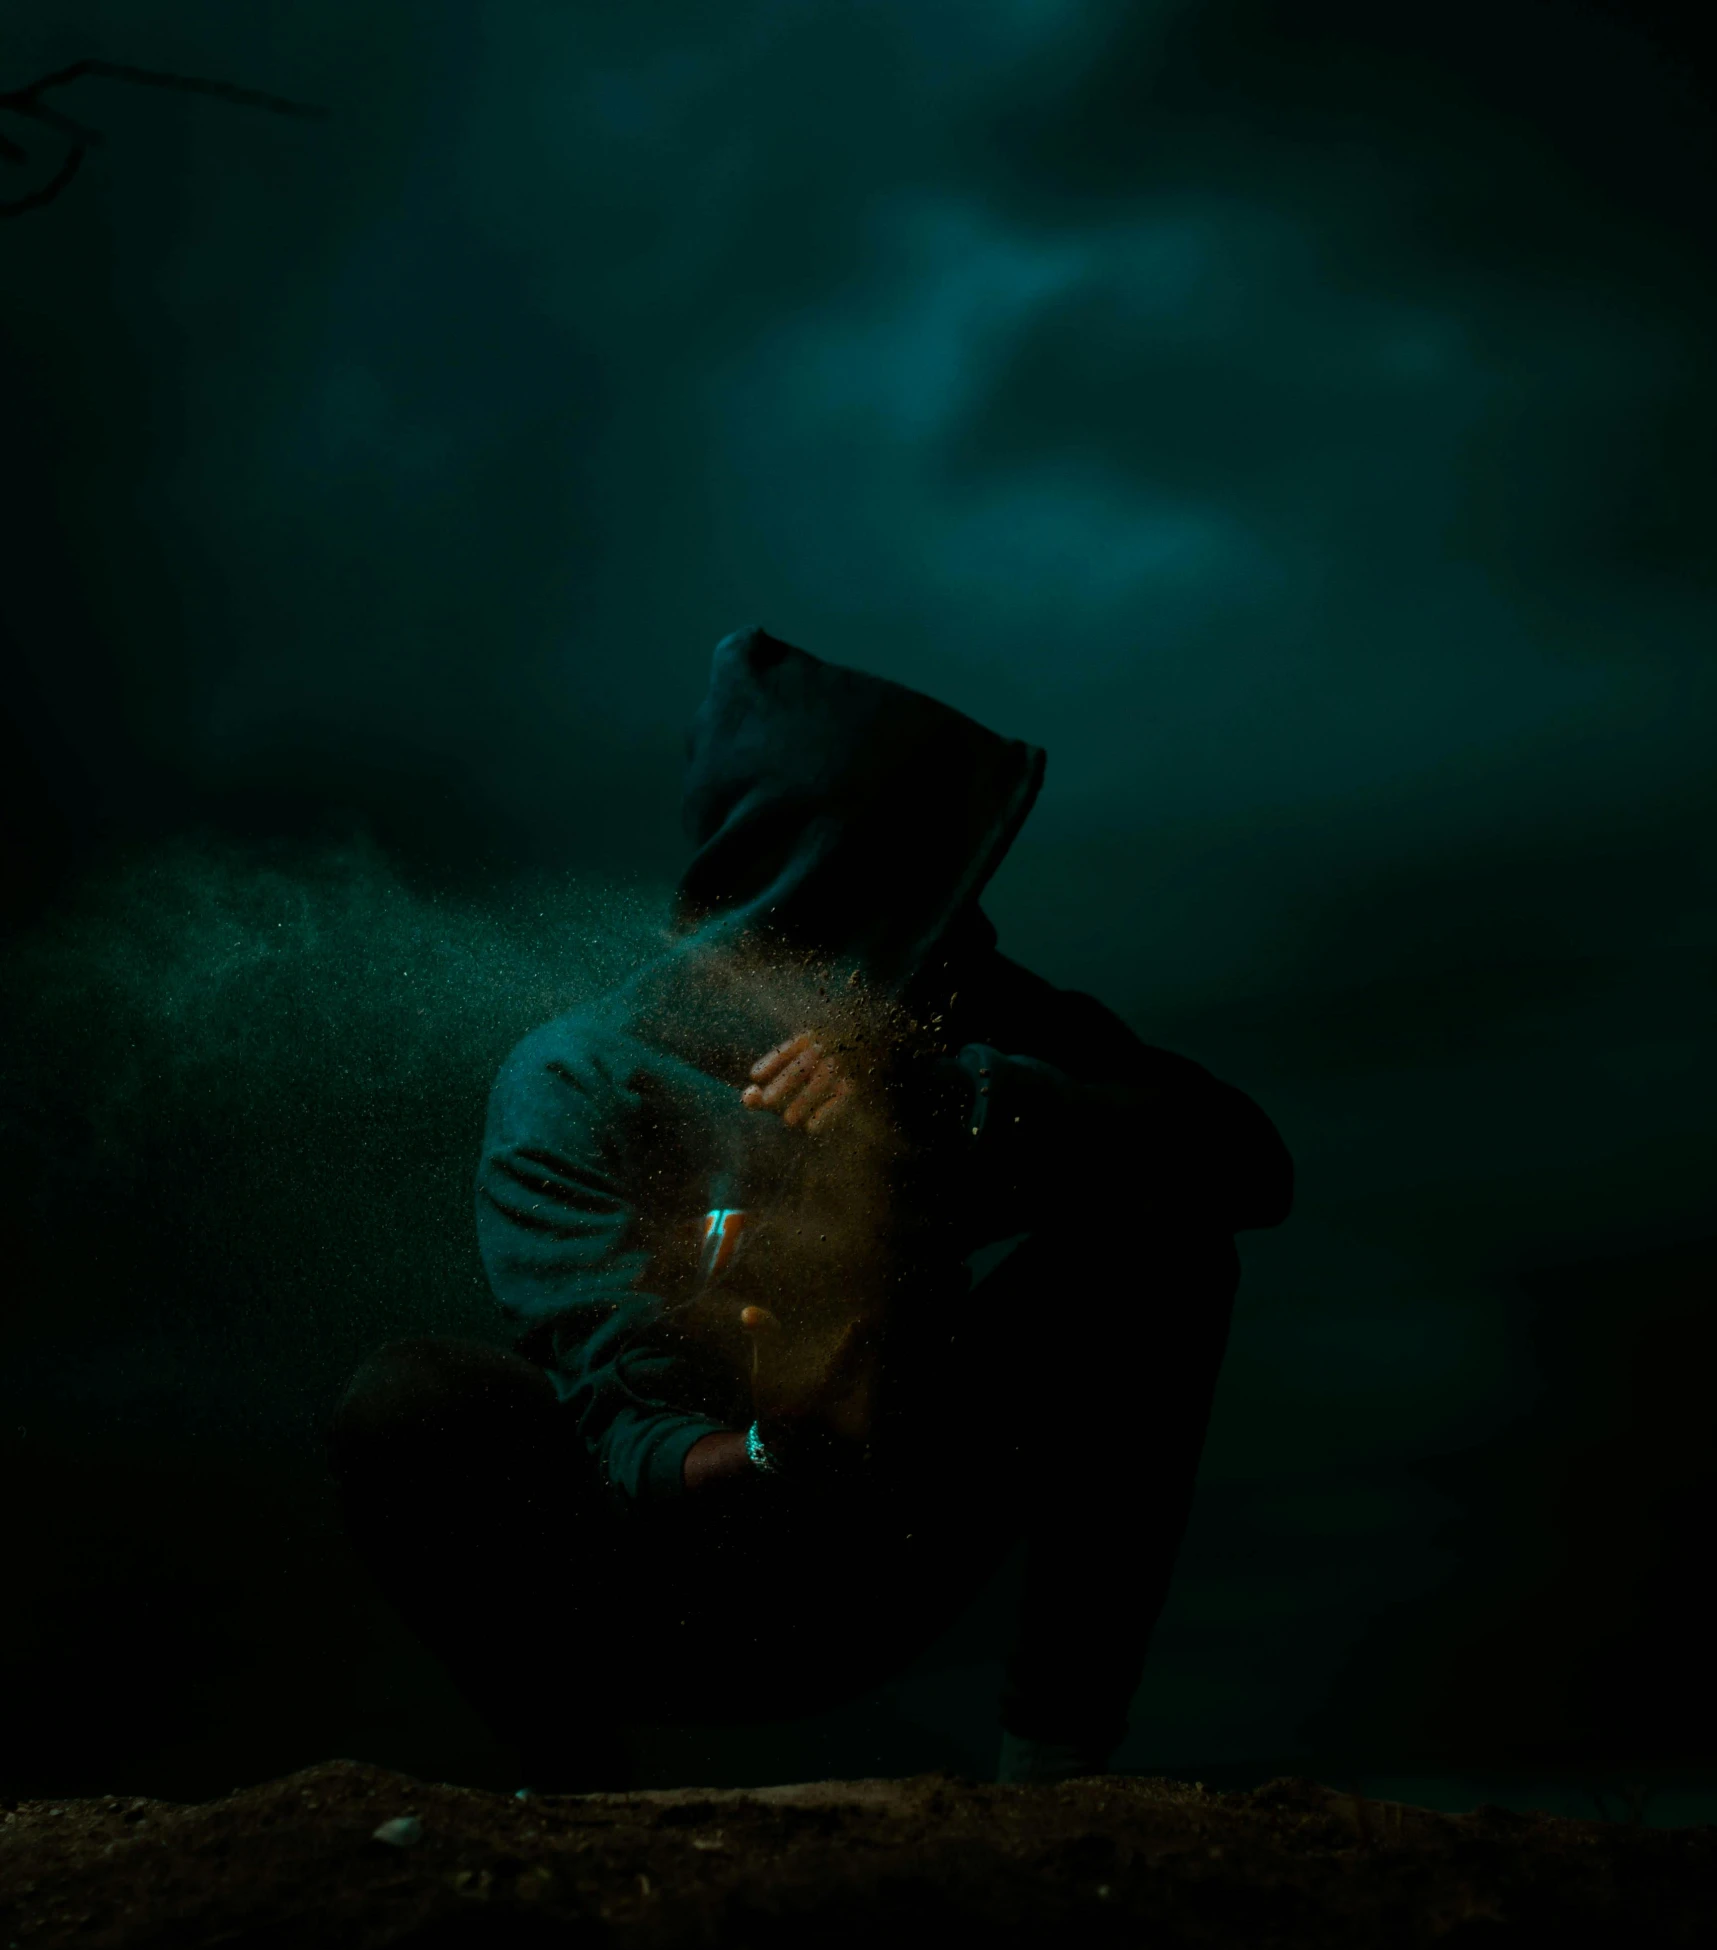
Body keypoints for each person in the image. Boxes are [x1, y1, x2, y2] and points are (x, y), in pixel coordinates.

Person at [329, 626, 1293, 1788]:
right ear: (808, 872)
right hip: (670, 1587)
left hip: (883, 1551)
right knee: (408, 1402)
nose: (956, 927)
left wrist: (950, 1098)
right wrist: (770, 1443)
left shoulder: (952, 1023)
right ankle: (570, 1800)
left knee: (1161, 1255)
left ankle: (1055, 1773)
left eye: (959, 881)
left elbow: (1247, 1164)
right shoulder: (579, 1077)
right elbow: (619, 1416)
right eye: (915, 880)